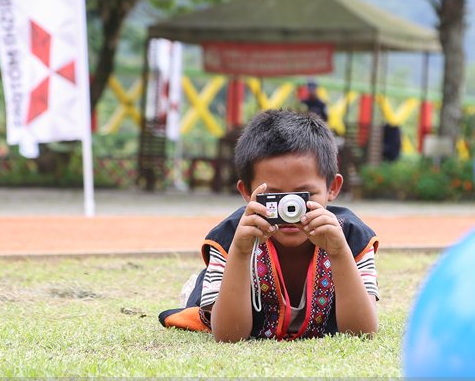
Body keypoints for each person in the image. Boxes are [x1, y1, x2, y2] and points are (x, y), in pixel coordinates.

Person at [159, 110, 379, 341]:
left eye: (304, 196)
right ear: (246, 192)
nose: (289, 209)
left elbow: (362, 333)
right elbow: (229, 337)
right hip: (231, 290)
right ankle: (204, 287)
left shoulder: (352, 237)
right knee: (206, 305)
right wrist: (241, 252)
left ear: (333, 188)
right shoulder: (230, 237)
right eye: (273, 197)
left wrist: (339, 251)